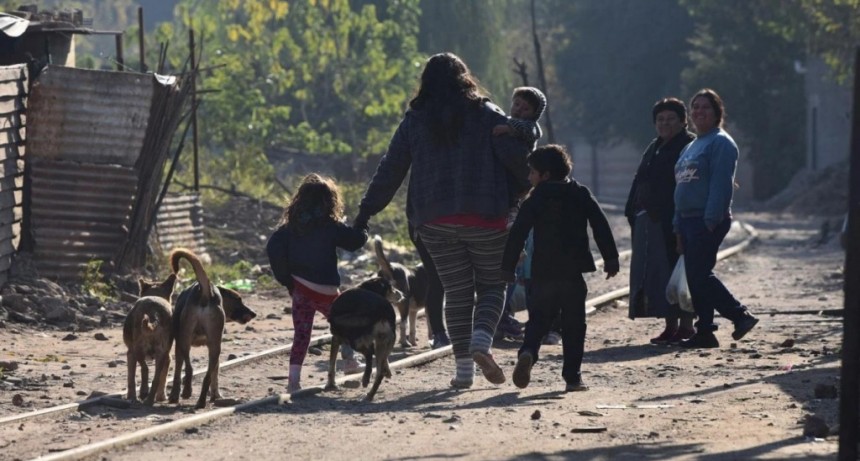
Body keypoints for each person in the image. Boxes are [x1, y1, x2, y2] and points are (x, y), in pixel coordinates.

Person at [353, 52, 531, 389]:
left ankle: (464, 371)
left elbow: (390, 170)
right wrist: (521, 194)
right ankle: (481, 339)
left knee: (456, 291)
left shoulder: (415, 120)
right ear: (466, 78)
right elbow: (519, 164)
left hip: (432, 220)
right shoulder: (488, 115)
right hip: (486, 217)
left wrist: (364, 214)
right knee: (494, 284)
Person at [501, 144, 620, 392]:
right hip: (572, 275)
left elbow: (518, 234)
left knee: (537, 320)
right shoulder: (580, 193)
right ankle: (573, 378)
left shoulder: (536, 199)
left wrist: (508, 267)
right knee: (574, 326)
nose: (529, 177)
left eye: (532, 172)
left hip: (543, 273)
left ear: (544, 175)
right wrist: (610, 258)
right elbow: (600, 224)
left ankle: (528, 353)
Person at [266, 173, 369, 393]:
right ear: (329, 202)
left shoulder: (289, 228)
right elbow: (354, 242)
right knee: (345, 322)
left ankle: (293, 381)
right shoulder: (330, 226)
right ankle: (350, 361)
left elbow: (273, 248)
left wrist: (287, 281)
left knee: (302, 334)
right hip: (326, 292)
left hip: (300, 289)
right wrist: (362, 225)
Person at [673, 88, 759, 349]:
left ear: (717, 113)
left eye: (705, 107)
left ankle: (739, 315)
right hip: (687, 220)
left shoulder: (721, 143)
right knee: (697, 276)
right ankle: (706, 332)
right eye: (695, 107)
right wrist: (677, 226)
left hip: (706, 219)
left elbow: (721, 186)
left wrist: (710, 220)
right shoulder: (691, 146)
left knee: (699, 275)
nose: (699, 112)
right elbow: (680, 186)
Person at [624, 97, 696, 345]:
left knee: (681, 270)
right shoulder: (654, 146)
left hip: (677, 219)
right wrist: (631, 211)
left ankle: (687, 326)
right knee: (662, 273)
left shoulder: (689, 146)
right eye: (660, 119)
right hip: (652, 221)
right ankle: (670, 325)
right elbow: (640, 179)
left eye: (671, 119)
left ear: (683, 121)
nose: (665, 123)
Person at [407, 225, 450, 349]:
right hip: (438, 227)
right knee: (438, 283)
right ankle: (439, 334)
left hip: (420, 225)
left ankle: (438, 335)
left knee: (437, 282)